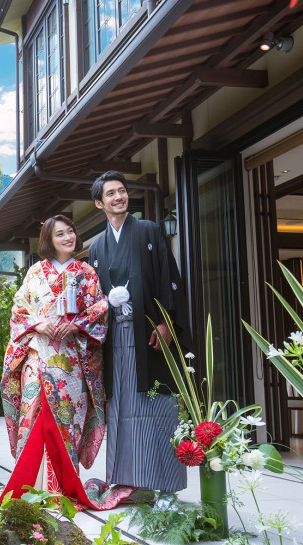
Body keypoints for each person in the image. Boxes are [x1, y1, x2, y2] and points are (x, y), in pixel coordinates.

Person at [0, 215, 134, 509]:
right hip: (38, 354)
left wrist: (76, 326)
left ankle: (61, 485)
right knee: (34, 411)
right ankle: (31, 486)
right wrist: (38, 324)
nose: (68, 237)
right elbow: (19, 310)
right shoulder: (36, 272)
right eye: (60, 234)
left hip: (72, 357)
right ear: (49, 240)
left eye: (70, 232)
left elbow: (99, 308)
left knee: (68, 419)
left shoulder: (85, 272)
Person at [87, 171, 192, 495]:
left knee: (155, 407)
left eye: (122, 191)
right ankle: (128, 479)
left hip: (149, 339)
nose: (119, 197)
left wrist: (166, 323)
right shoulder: (97, 247)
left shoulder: (148, 230)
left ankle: (162, 482)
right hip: (115, 341)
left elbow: (167, 276)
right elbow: (91, 301)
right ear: (99, 203)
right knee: (122, 410)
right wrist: (105, 303)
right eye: (111, 194)